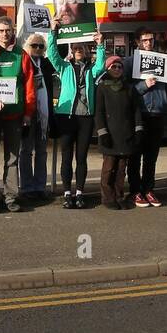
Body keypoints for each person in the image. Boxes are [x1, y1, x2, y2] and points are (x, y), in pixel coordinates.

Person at [46, 22, 106, 209]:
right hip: (66, 116)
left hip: (85, 117)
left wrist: (100, 44)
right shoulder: (64, 67)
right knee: (66, 156)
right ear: (71, 51)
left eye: (82, 48)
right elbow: (52, 53)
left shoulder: (91, 69)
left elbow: (101, 64)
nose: (78, 50)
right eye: (75, 48)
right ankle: (66, 193)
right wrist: (53, 32)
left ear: (87, 51)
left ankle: (79, 192)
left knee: (81, 157)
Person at [0, 16, 36, 213]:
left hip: (15, 116)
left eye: (8, 30)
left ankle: (11, 196)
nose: (5, 34)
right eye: (1, 30)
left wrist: (28, 113)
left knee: (12, 158)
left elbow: (30, 86)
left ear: (13, 32)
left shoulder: (22, 55)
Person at [94, 54, 144, 210]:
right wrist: (103, 133)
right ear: (108, 69)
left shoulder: (129, 87)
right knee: (109, 168)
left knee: (121, 169)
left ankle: (119, 195)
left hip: (126, 133)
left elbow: (136, 110)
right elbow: (99, 112)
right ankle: (107, 198)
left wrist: (138, 130)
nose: (117, 69)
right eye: (113, 67)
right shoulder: (102, 87)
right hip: (109, 134)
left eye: (119, 66)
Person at [130, 27, 167, 208]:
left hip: (157, 114)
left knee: (151, 156)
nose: (148, 43)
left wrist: (166, 101)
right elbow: (126, 91)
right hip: (140, 114)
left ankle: (148, 189)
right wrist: (143, 86)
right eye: (145, 40)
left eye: (151, 40)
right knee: (135, 155)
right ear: (137, 42)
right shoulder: (130, 62)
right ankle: (135, 190)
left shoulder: (162, 61)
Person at [18, 32, 59, 201]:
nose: (37, 49)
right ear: (27, 47)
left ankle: (40, 186)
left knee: (42, 151)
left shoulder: (47, 64)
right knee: (25, 151)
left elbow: (59, 52)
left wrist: (54, 32)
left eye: (41, 46)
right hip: (27, 112)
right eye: (34, 45)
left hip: (43, 113)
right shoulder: (22, 62)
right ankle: (26, 187)